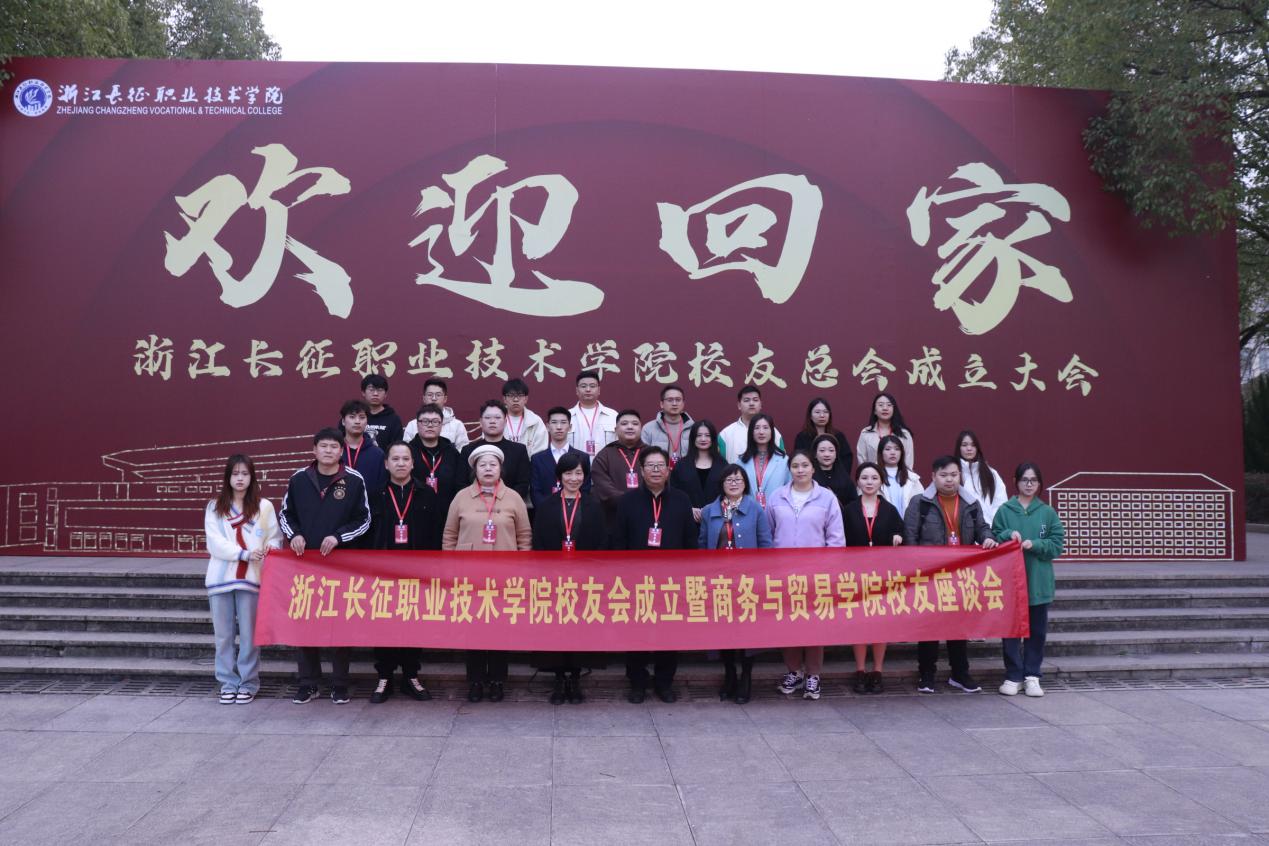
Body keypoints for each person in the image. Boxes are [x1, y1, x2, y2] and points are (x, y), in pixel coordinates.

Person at [280, 428, 371, 705]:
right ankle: (308, 684)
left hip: (340, 566)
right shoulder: (298, 479)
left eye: (334, 447)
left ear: (341, 451)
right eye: (324, 446)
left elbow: (364, 519)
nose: (328, 451)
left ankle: (340, 684)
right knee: (304, 624)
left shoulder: (354, 479)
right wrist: (294, 535)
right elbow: (285, 515)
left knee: (339, 625)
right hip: (304, 565)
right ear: (314, 450)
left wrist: (338, 537)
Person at [442, 445, 532, 702]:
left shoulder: (513, 498)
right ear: (475, 470)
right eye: (483, 465)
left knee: (500, 629)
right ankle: (475, 681)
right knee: (474, 629)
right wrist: (451, 569)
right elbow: (449, 535)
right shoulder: (461, 497)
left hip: (505, 576)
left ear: (501, 468)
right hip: (469, 576)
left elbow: (524, 536)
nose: (488, 469)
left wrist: (522, 569)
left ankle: (497, 680)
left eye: (493, 464)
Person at [904, 455, 999, 694]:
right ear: (933, 477)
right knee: (929, 626)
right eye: (944, 475)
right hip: (929, 575)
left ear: (960, 476)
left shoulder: (970, 503)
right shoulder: (920, 503)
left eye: (954, 475)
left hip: (961, 575)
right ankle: (926, 674)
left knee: (959, 625)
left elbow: (982, 527)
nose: (949, 480)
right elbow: (910, 538)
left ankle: (960, 673)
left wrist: (988, 537)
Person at [613, 446, 697, 703]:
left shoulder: (682, 500)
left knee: (668, 633)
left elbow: (690, 541)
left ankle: (664, 683)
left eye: (661, 465)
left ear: (668, 470)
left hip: (671, 581)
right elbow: (619, 540)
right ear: (641, 471)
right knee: (636, 633)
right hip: (636, 581)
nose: (656, 470)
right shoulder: (627, 501)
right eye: (650, 465)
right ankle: (637, 683)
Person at [767, 450, 845, 701]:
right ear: (789, 469)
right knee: (787, 623)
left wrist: (830, 570)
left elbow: (835, 538)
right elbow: (768, 533)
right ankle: (794, 671)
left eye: (805, 465)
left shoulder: (827, 498)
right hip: (783, 574)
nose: (800, 470)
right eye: (795, 466)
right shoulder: (777, 497)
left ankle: (813, 674)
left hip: (815, 574)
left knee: (814, 625)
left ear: (813, 468)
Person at [204, 454, 280, 705]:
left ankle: (248, 683)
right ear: (228, 477)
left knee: (249, 636)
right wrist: (244, 554)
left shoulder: (264, 506)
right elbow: (215, 543)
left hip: (251, 579)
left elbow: (274, 537)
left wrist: (269, 549)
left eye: (245, 474)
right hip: (220, 579)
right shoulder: (215, 506)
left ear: (252, 477)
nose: (240, 479)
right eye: (235, 474)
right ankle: (228, 682)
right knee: (223, 636)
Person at [531, 452, 606, 704]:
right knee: (556, 630)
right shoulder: (547, 506)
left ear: (585, 476)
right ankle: (558, 678)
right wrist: (550, 572)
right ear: (559, 476)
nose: (573, 478)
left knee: (580, 629)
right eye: (568, 473)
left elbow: (601, 542)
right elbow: (539, 542)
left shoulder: (594, 505)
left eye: (578, 473)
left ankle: (575, 678)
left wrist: (589, 570)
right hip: (554, 580)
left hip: (584, 580)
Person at [698, 464, 773, 704]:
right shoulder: (710, 511)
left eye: (738, 479)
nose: (733, 483)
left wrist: (763, 578)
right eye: (729, 480)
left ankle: (746, 677)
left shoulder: (756, 509)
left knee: (747, 631)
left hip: (747, 583)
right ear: (722, 484)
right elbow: (702, 545)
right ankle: (729, 674)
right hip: (719, 582)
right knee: (724, 631)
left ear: (745, 483)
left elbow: (765, 544)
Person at [367, 442, 434, 704]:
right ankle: (384, 676)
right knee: (383, 624)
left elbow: (436, 531)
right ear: (386, 464)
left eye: (406, 459)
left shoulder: (426, 494)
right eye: (395, 459)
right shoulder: (375, 495)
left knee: (413, 624)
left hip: (417, 572)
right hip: (383, 572)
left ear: (413, 463)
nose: (401, 463)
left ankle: (410, 676)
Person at [992, 462, 1065, 698]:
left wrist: (1036, 544)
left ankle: (1032, 675)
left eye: (1033, 480)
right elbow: (993, 537)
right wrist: (1007, 535)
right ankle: (1013, 675)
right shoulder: (1005, 510)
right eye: (1025, 479)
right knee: (1011, 631)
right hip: (1010, 581)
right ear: (1016, 481)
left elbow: (1057, 545)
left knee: (1036, 631)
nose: (1029, 484)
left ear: (1039, 483)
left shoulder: (1047, 512)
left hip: (1038, 581)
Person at [841, 461, 904, 694]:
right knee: (859, 624)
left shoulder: (889, 510)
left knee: (879, 624)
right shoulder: (849, 509)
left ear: (881, 482)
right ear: (857, 481)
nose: (869, 482)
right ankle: (860, 670)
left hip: (882, 577)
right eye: (865, 478)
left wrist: (898, 537)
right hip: (855, 576)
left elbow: (902, 532)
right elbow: (840, 539)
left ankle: (877, 671)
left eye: (874, 478)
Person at [405, 403, 467, 549]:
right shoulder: (408, 451)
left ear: (441, 425)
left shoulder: (452, 453)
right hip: (413, 514)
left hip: (447, 515)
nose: (430, 425)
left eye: (435, 422)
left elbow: (460, 484)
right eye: (425, 421)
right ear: (417, 424)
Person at [460, 400, 532, 501]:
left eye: (497, 418)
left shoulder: (519, 450)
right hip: (474, 505)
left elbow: (523, 484)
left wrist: (503, 502)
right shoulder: (468, 450)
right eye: (487, 418)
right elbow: (461, 484)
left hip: (508, 505)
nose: (492, 421)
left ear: (505, 421)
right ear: (480, 422)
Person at [590, 408, 650, 528]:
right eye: (624, 424)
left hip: (647, 515)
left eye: (635, 424)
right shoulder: (605, 454)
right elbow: (603, 487)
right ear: (616, 430)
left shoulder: (651, 453)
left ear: (641, 428)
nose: (630, 427)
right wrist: (631, 501)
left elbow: (659, 481)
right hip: (614, 519)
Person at [340, 401, 386, 545]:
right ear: (343, 421)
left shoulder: (377, 454)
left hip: (369, 522)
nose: (357, 421)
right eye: (352, 417)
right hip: (338, 520)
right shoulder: (334, 451)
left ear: (367, 421)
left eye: (362, 417)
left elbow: (381, 490)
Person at [530, 406, 593, 509]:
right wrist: (547, 510)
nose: (559, 427)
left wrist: (571, 511)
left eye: (563, 422)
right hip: (545, 512)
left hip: (575, 512)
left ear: (570, 427)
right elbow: (535, 491)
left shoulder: (583, 457)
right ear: (547, 426)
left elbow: (585, 489)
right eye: (554, 422)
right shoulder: (537, 459)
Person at [670, 419, 726, 524]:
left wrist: (712, 509)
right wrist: (688, 509)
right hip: (687, 520)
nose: (703, 439)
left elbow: (727, 494)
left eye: (707, 435)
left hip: (716, 521)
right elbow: (673, 493)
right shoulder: (681, 465)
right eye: (699, 435)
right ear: (693, 438)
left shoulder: (723, 465)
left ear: (713, 438)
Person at [718, 384, 785, 461]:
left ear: (760, 404)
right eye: (747, 400)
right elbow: (720, 464)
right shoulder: (726, 434)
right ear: (739, 405)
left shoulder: (774, 432)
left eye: (755, 400)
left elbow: (782, 461)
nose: (751, 403)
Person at [956, 429, 1008, 525]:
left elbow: (1001, 501)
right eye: (964, 445)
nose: (969, 448)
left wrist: (993, 524)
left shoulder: (990, 473)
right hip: (963, 529)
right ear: (958, 448)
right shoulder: (953, 474)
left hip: (989, 529)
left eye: (973, 445)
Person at [739, 413, 790, 507]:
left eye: (765, 428)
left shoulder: (784, 460)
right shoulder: (741, 461)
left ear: (772, 432)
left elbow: (791, 489)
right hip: (748, 511)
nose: (761, 432)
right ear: (751, 432)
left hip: (776, 510)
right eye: (757, 428)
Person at [402, 377, 469, 449]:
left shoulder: (457, 425)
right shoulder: (412, 425)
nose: (434, 398)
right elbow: (406, 451)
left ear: (445, 399)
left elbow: (463, 452)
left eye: (438, 395)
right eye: (430, 395)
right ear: (424, 398)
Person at [855, 391, 915, 470]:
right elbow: (862, 461)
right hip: (874, 476)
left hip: (898, 476)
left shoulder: (904, 434)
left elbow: (908, 462)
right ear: (874, 411)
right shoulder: (866, 433)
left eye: (889, 405)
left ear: (894, 410)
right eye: (881, 405)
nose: (885, 408)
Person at [641, 384, 694, 467]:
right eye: (670, 400)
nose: (674, 403)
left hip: (687, 473)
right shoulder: (648, 428)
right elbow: (643, 457)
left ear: (683, 403)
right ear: (662, 404)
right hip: (658, 473)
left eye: (678, 400)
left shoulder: (694, 428)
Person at [568, 370, 617, 457]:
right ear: (577, 390)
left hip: (606, 464)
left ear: (599, 390)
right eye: (583, 386)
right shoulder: (567, 416)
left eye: (592, 386)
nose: (588, 389)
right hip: (575, 464)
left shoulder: (612, 415)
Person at [502, 377, 549, 456]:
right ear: (504, 399)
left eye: (520, 395)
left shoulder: (535, 421)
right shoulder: (496, 420)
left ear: (526, 399)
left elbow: (540, 452)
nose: (516, 399)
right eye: (511, 395)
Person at [877, 434, 922, 515]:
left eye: (897, 449)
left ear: (902, 453)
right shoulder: (873, 477)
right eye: (888, 449)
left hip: (907, 522)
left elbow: (921, 504)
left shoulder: (912, 478)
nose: (892, 452)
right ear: (881, 453)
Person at [811, 433, 857, 511]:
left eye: (831, 450)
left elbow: (853, 504)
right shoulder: (809, 477)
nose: (827, 454)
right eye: (822, 450)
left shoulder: (845, 478)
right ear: (815, 454)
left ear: (836, 454)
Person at [357, 373, 404, 450]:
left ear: (385, 394)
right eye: (371, 390)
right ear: (363, 392)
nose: (375, 394)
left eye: (379, 390)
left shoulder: (394, 419)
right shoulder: (355, 417)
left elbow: (397, 448)